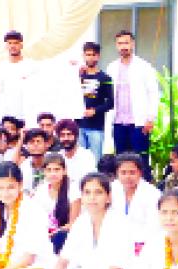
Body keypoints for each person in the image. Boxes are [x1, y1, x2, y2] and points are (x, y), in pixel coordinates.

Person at [46, 173, 131, 269]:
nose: (92, 197)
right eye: (87, 192)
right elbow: (62, 263)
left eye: (98, 192)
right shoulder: (81, 221)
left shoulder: (120, 223)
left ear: (108, 197)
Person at [106, 30, 159, 174]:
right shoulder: (111, 67)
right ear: (116, 46)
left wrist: (151, 118)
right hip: (118, 122)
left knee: (140, 161)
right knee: (121, 161)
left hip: (139, 123)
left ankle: (145, 189)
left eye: (126, 43)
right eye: (120, 43)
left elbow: (153, 93)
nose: (123, 46)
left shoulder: (144, 67)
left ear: (132, 44)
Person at [110, 152, 161, 256]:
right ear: (117, 173)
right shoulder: (111, 189)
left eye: (132, 172)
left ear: (140, 173)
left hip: (143, 246)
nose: (128, 177)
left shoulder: (152, 193)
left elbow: (154, 226)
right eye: (123, 172)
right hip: (115, 242)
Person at [32, 153, 80, 254]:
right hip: (45, 234)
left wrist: (54, 234)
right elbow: (36, 219)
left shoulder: (73, 189)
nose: (53, 174)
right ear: (44, 172)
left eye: (57, 169)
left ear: (64, 170)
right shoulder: (40, 190)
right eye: (49, 170)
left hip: (66, 235)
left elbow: (73, 224)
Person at [79, 41, 113, 161]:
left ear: (98, 56)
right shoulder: (78, 76)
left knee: (95, 161)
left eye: (93, 55)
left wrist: (95, 110)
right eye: (87, 54)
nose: (90, 57)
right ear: (83, 56)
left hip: (96, 127)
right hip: (78, 126)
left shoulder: (105, 78)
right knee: (79, 160)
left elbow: (110, 103)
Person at [0, 31, 36, 121]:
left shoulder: (31, 66)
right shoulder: (1, 67)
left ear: (21, 45)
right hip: (6, 117)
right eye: (10, 43)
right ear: (6, 46)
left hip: (27, 116)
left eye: (16, 43)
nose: (12, 46)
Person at [56, 119, 96, 192]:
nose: (66, 138)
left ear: (76, 136)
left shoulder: (86, 156)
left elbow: (90, 181)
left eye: (69, 134)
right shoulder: (58, 156)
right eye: (62, 135)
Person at [20, 128, 49, 194]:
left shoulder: (55, 162)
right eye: (31, 142)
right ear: (26, 146)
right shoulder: (23, 166)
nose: (35, 145)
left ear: (46, 144)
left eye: (38, 141)